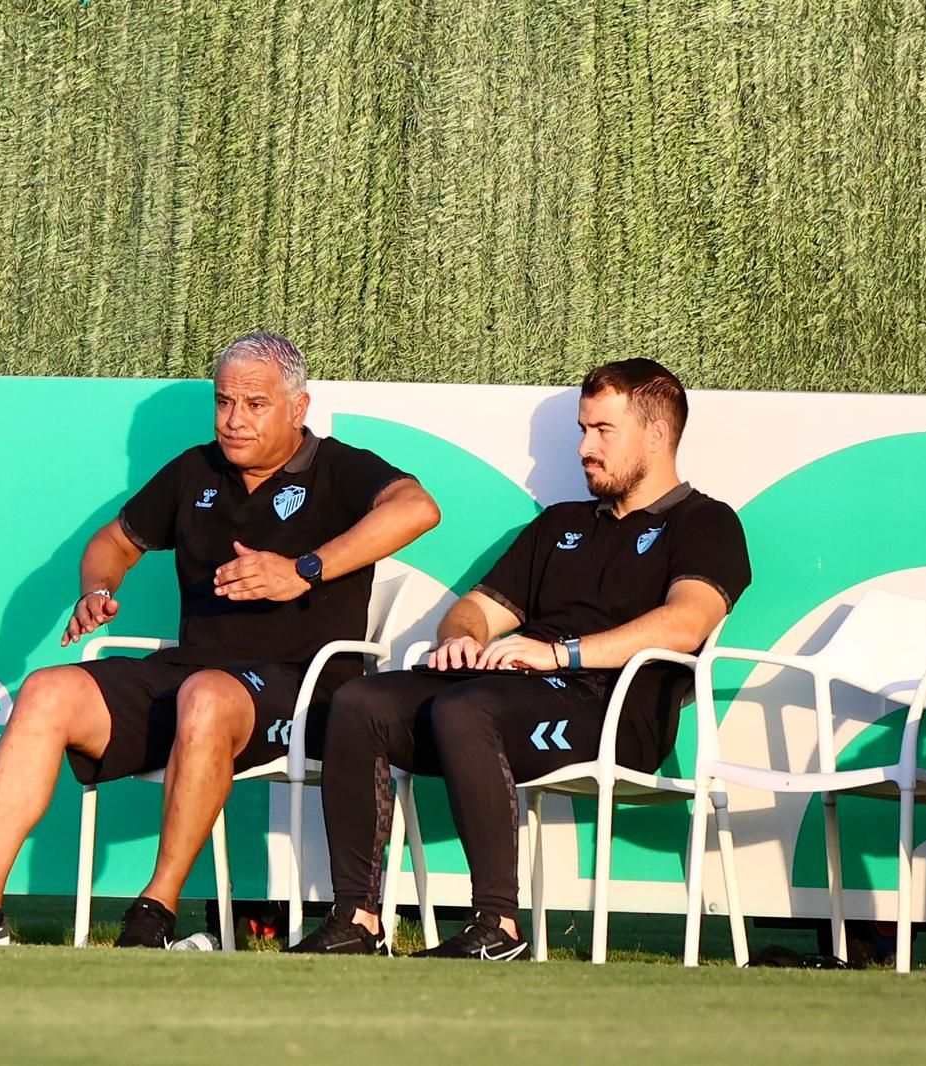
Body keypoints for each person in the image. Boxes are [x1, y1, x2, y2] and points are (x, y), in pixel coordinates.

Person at [0, 333, 440, 946]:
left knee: (205, 695)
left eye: (254, 405)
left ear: (298, 408)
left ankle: (155, 913)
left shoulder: (339, 467)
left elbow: (417, 508)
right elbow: (115, 543)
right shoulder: (195, 471)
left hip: (303, 691)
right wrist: (96, 590)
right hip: (191, 674)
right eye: (223, 401)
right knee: (46, 691)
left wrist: (301, 569)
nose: (234, 420)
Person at [289, 358, 751, 958]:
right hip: (518, 695)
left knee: (466, 709)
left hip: (615, 712)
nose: (585, 447)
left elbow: (686, 623)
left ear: (657, 435)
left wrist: (558, 655)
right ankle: (356, 917)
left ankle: (497, 927)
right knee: (360, 700)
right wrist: (462, 639)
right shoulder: (561, 525)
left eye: (602, 431)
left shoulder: (706, 522)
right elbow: (475, 610)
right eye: (582, 430)